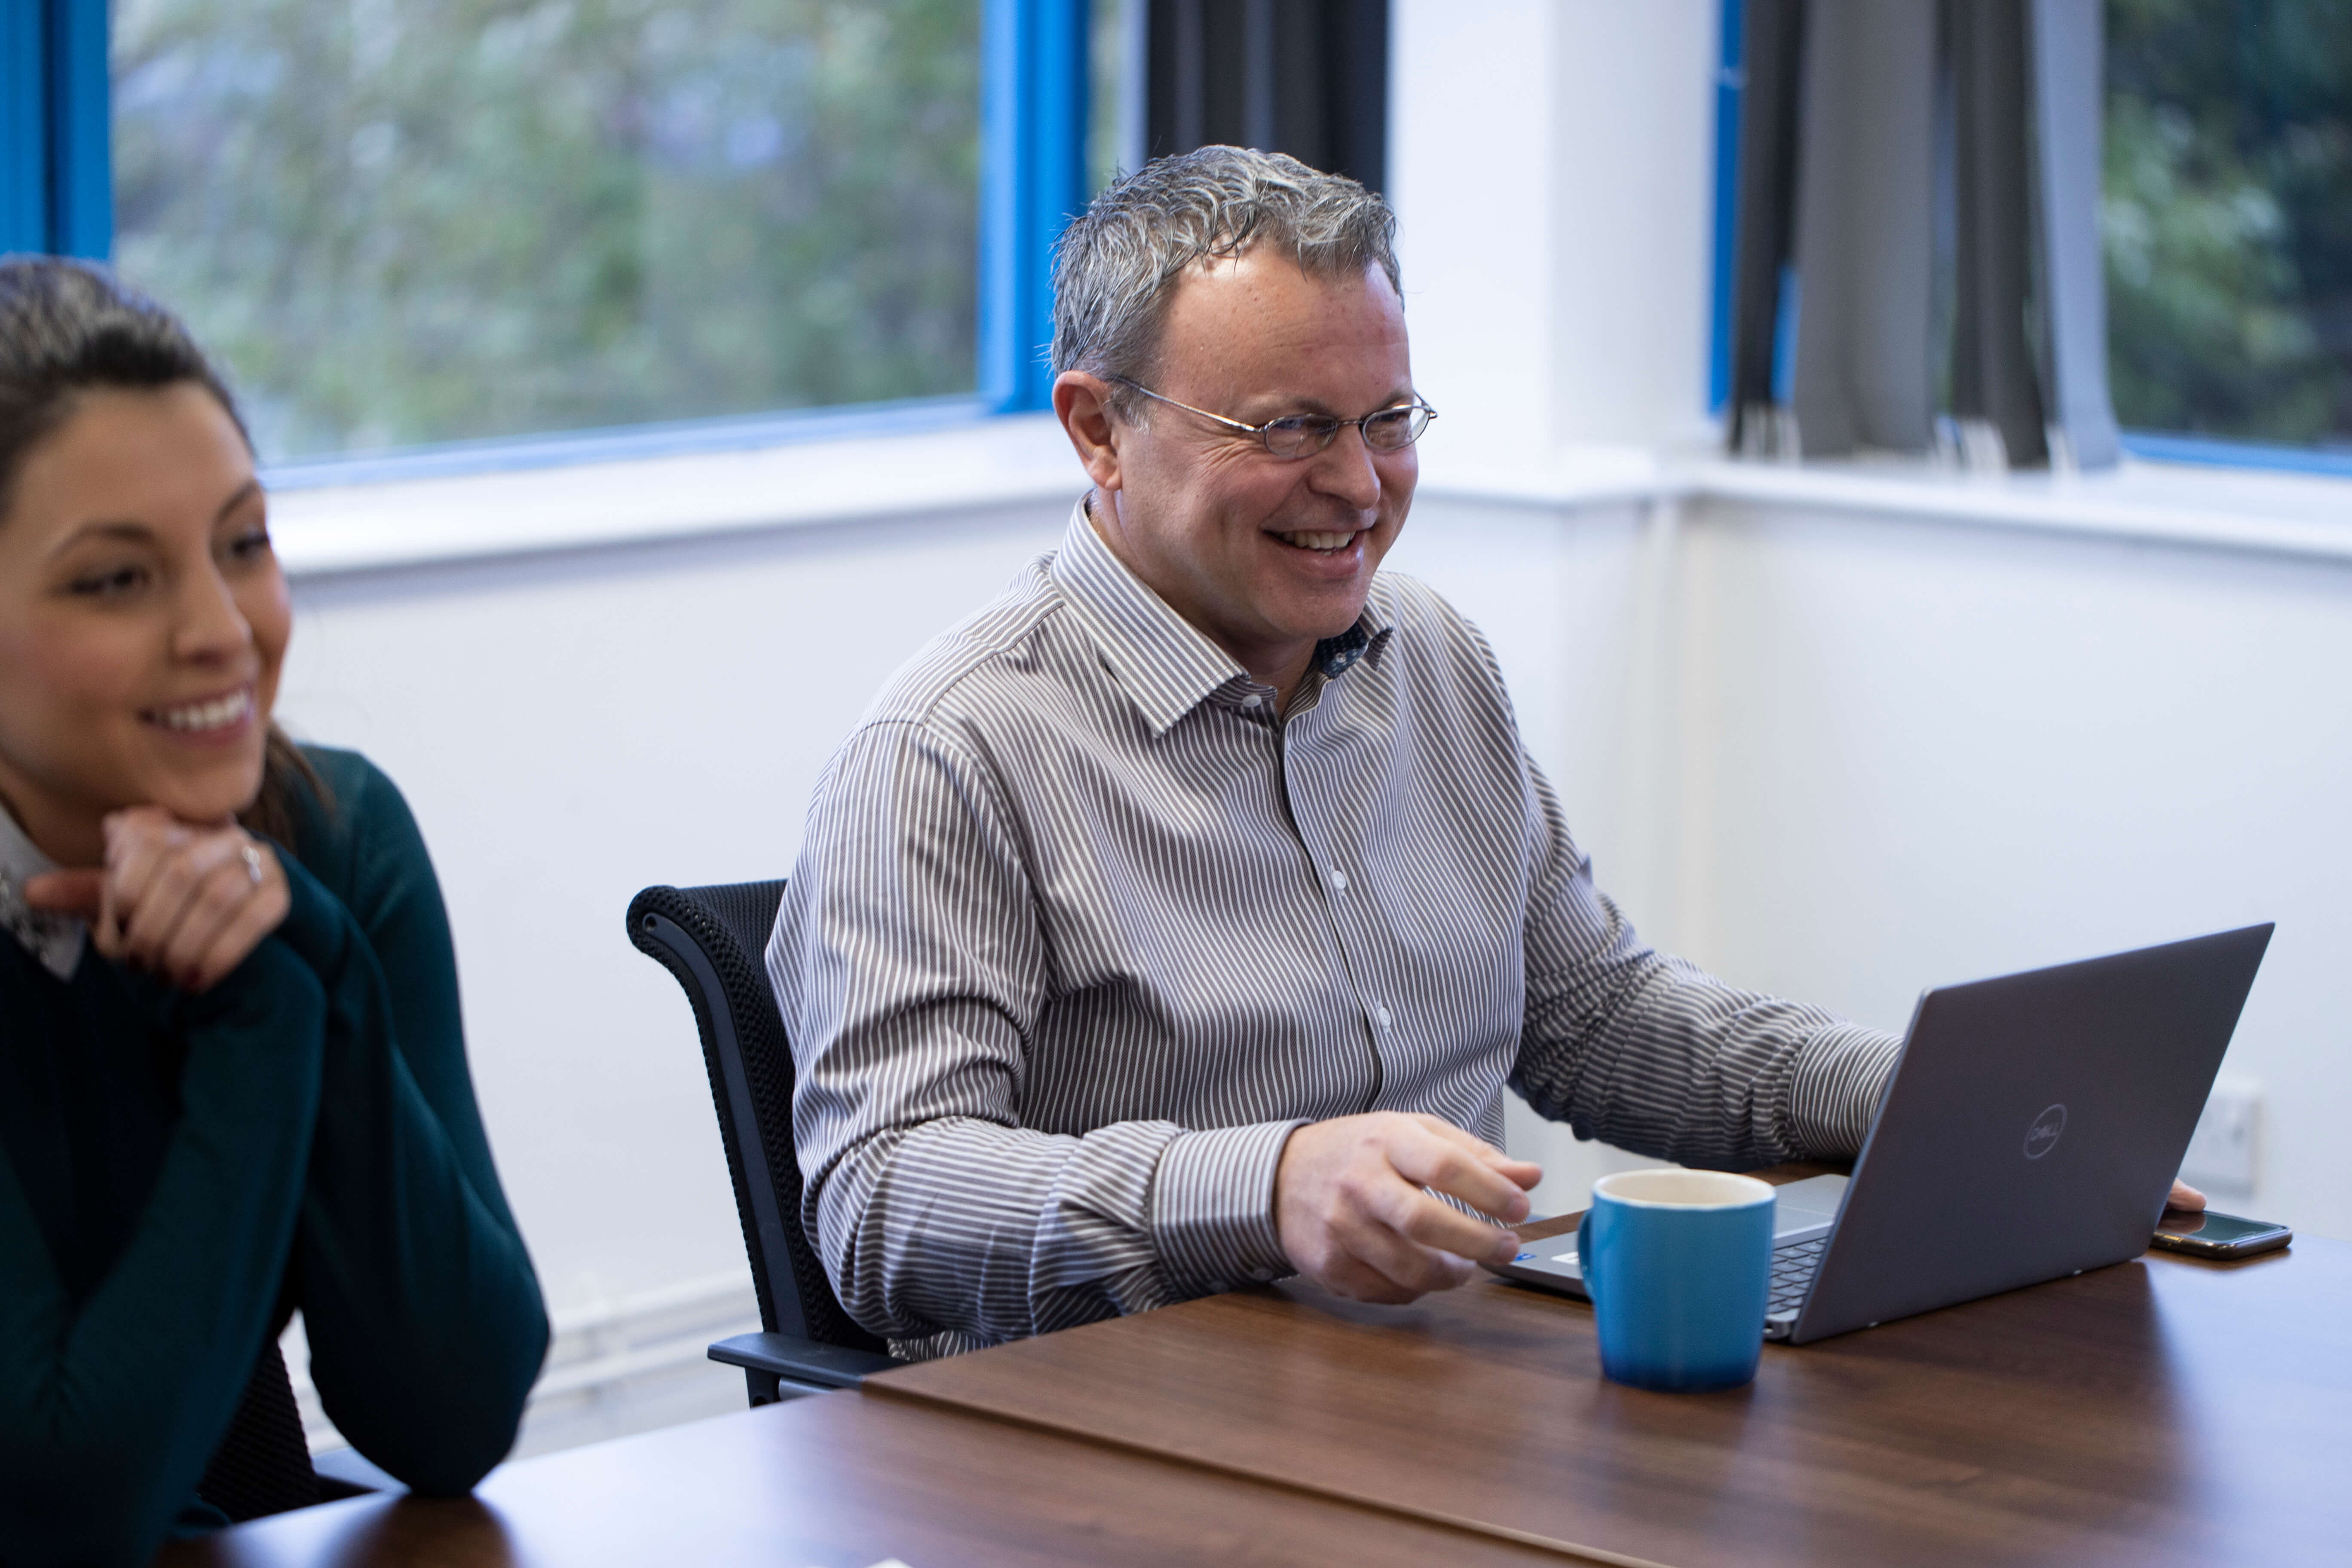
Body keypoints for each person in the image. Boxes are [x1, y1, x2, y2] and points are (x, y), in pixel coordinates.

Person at [769, 147, 2204, 1360]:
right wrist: (1265, 1185)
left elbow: (1593, 1019)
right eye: (1289, 429)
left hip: (1447, 1391)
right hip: (1119, 1451)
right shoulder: (946, 757)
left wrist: (1909, 1098)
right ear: (1099, 429)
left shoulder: (1433, 658)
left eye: (1388, 420)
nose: (1357, 485)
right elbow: (883, 1201)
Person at [0, 257, 548, 1565]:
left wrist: (308, 958)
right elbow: (64, 1513)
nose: (222, 632)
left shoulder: (333, 841)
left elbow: (453, 1413)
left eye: (242, 546)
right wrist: (259, 1014)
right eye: (116, 580)